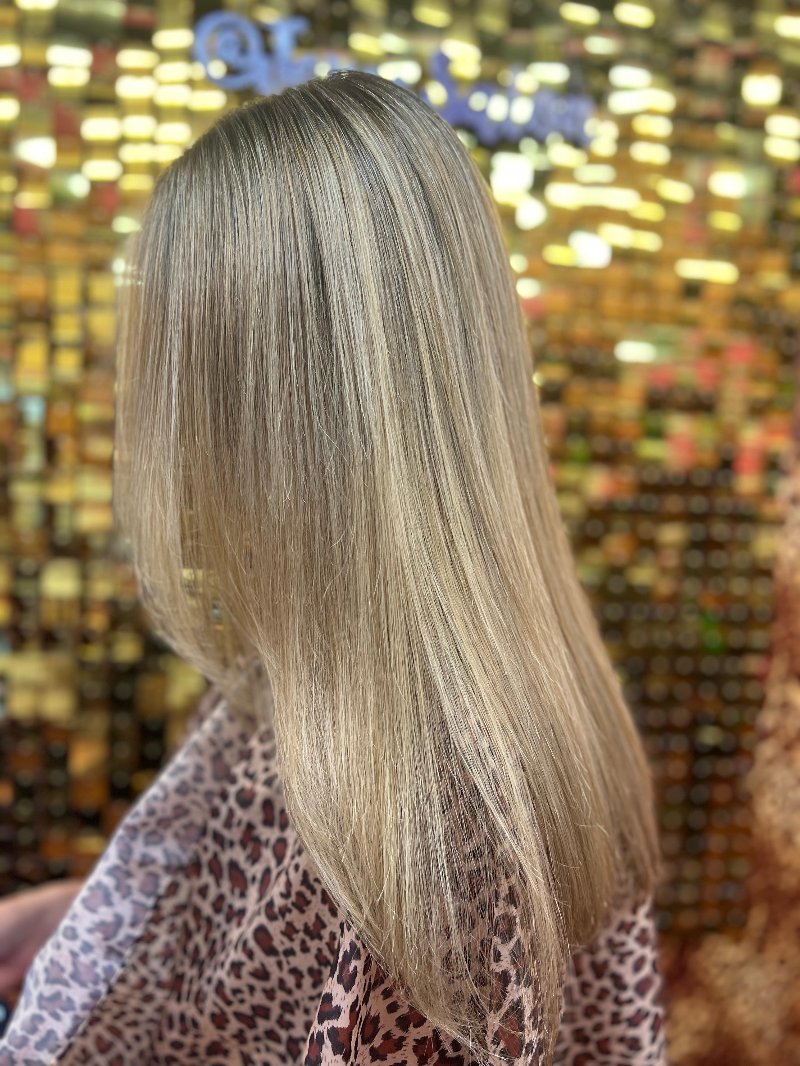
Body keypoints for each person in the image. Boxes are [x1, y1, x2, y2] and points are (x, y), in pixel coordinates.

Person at [0, 69, 668, 1064]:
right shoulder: (354, 709)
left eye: (187, 380)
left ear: (257, 407)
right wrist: (86, 918)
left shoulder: (430, 823)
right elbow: (242, 933)